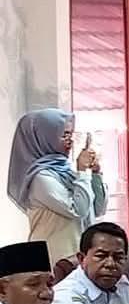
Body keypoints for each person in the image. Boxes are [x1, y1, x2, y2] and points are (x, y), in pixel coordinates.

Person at [7, 108, 106, 263]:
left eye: (70, 135)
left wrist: (95, 174)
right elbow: (77, 210)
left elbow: (97, 209)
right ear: (44, 138)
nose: (70, 141)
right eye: (64, 135)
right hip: (54, 261)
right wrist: (82, 171)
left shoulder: (66, 170)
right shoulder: (40, 178)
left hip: (80, 259)